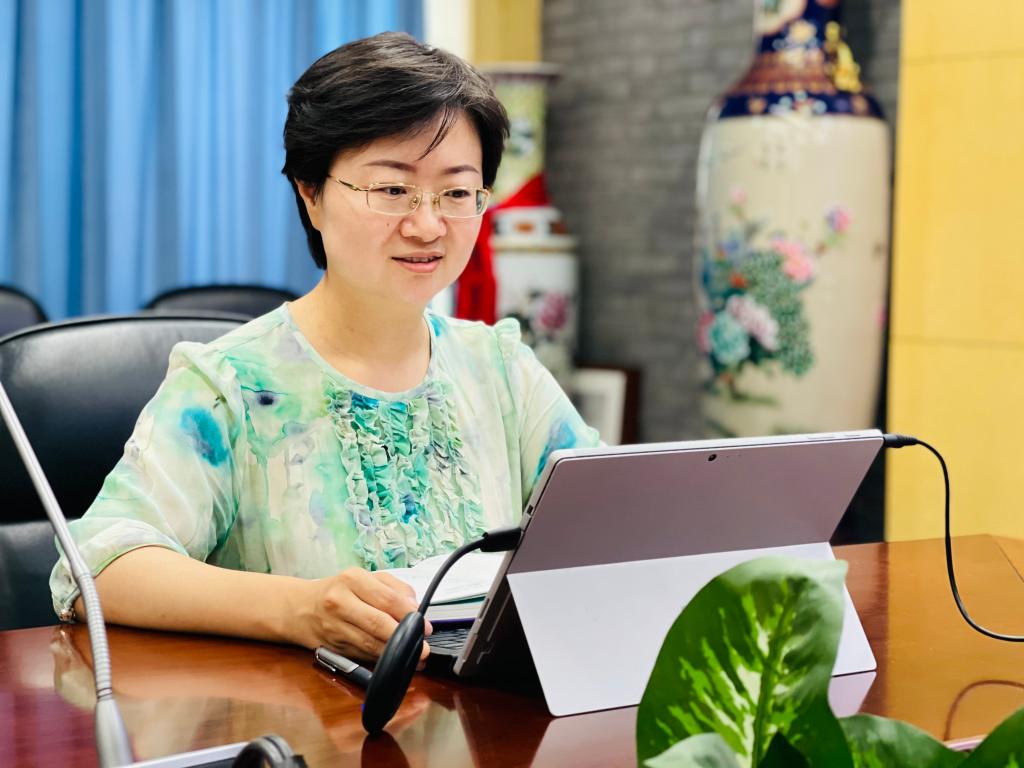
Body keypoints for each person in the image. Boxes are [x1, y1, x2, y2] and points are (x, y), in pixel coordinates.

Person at [50, 32, 599, 664]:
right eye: (391, 190)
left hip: (481, 710)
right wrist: (300, 609)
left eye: (455, 193)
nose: (427, 225)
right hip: (301, 715)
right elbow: (99, 567)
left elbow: (609, 521)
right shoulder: (230, 383)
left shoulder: (501, 368)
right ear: (311, 193)